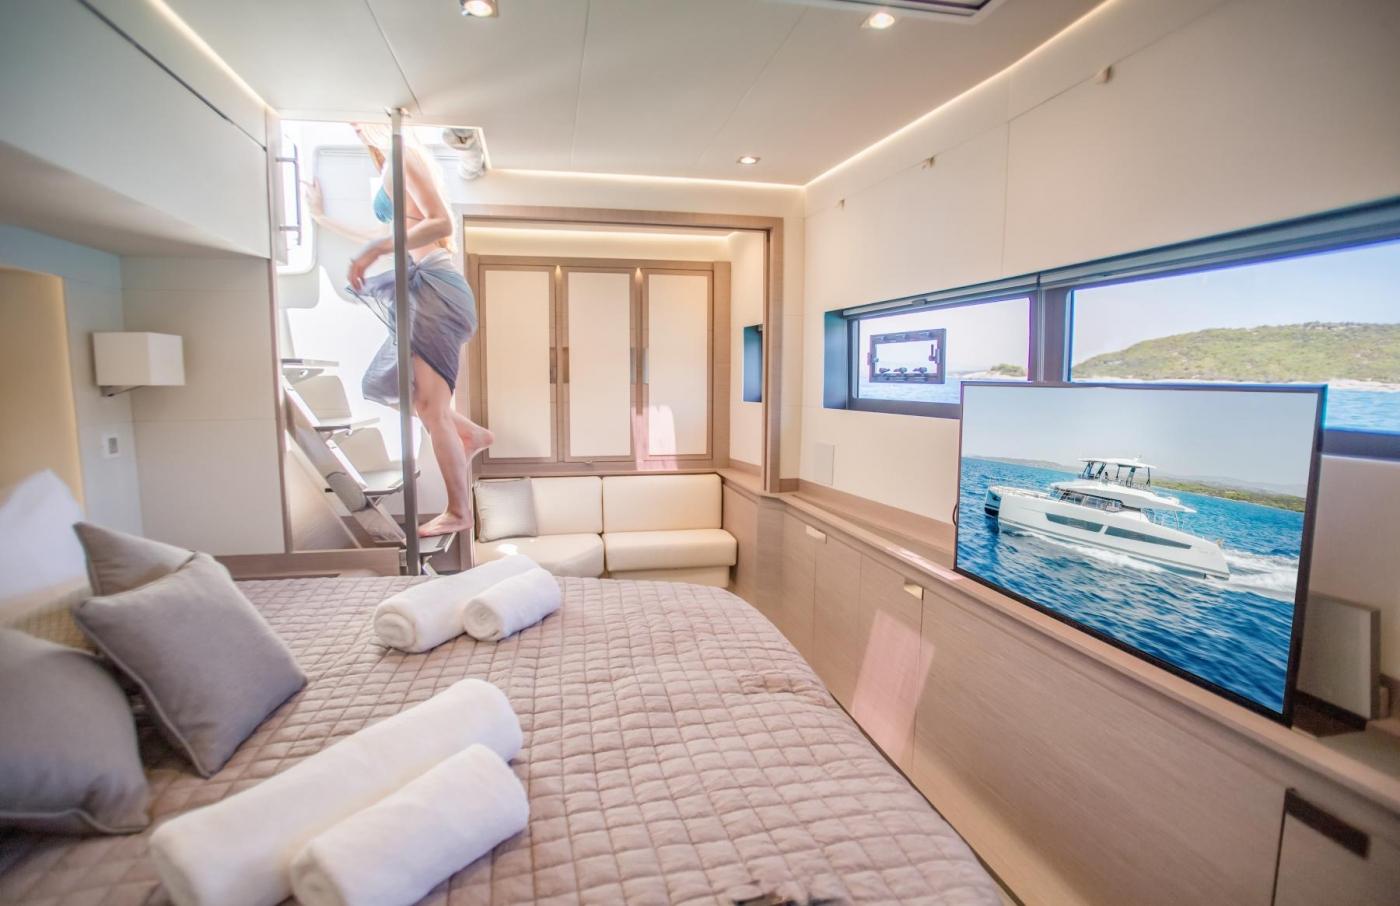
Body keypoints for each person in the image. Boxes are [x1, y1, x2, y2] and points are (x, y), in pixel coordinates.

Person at [305, 123, 491, 538]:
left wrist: (373, 251)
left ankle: (459, 510)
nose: (354, 127)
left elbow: (440, 223)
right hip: (427, 289)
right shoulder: (390, 165)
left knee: (431, 409)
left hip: (434, 287)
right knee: (381, 384)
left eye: (358, 120)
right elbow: (381, 233)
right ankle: (469, 433)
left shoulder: (402, 154)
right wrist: (321, 218)